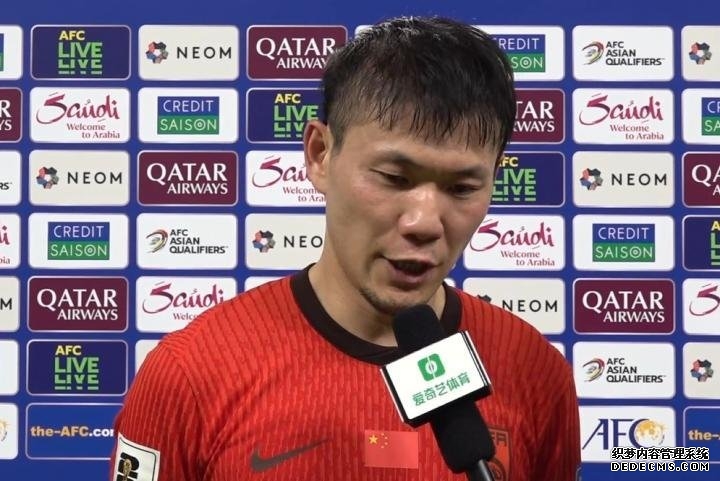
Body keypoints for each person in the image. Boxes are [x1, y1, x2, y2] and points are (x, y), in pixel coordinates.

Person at [110, 16, 580, 481]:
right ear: (320, 154)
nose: (423, 222)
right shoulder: (190, 373)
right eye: (394, 178)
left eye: (462, 188)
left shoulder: (535, 372)